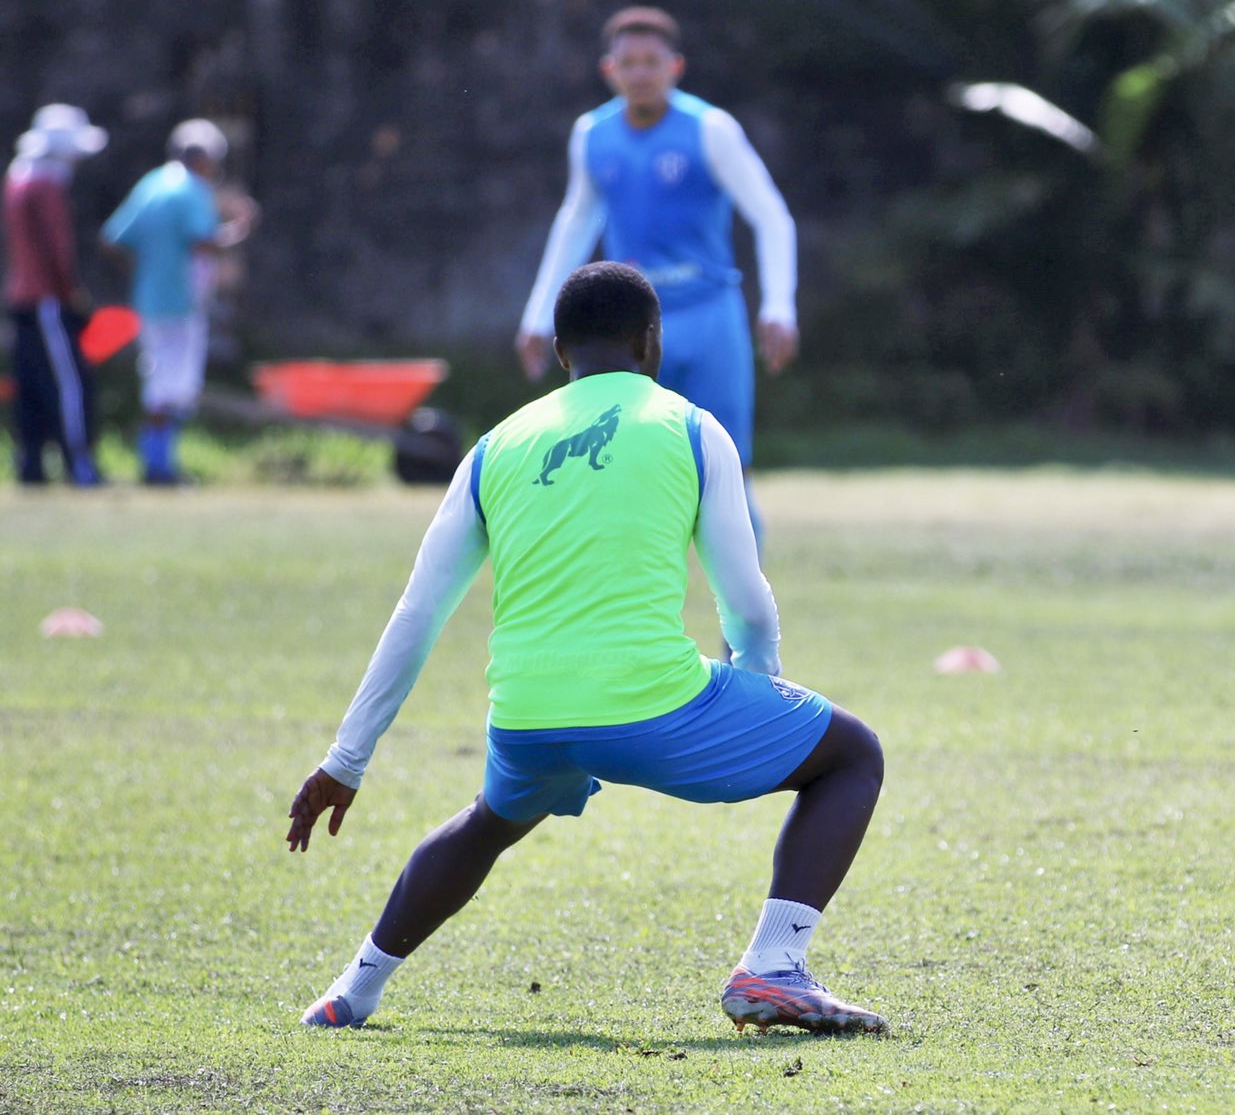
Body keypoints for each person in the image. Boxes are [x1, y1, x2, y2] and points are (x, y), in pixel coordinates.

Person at [287, 262, 888, 1036]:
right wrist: (759, 686)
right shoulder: (692, 426)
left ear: (561, 351)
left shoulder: (494, 446)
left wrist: (347, 759)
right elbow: (744, 600)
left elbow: (417, 614)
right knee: (852, 755)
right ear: (651, 341)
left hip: (528, 715)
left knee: (489, 824)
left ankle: (353, 991)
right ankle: (774, 967)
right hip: (655, 704)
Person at [515, 6, 798, 545]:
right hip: (632, 329)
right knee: (614, 465)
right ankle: (622, 615)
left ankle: (743, 630)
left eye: (652, 62)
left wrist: (779, 307)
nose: (641, 73)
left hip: (711, 317)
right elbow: (576, 221)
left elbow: (770, 214)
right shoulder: (592, 135)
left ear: (675, 66)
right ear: (609, 70)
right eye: (629, 63)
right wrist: (536, 316)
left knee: (727, 472)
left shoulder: (710, 130)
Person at [99, 119, 250, 485]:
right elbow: (204, 243)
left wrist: (149, 268)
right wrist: (242, 228)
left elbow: (113, 238)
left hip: (150, 299)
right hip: (181, 303)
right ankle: (159, 467)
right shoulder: (191, 190)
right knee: (171, 387)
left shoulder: (151, 184)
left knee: (161, 382)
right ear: (202, 159)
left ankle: (158, 462)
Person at [4, 104, 107, 486]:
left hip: (21, 298)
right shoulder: (46, 184)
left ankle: (31, 464)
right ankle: (80, 465)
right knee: (70, 384)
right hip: (48, 298)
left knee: (30, 384)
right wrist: (72, 293)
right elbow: (56, 250)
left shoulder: (17, 176)